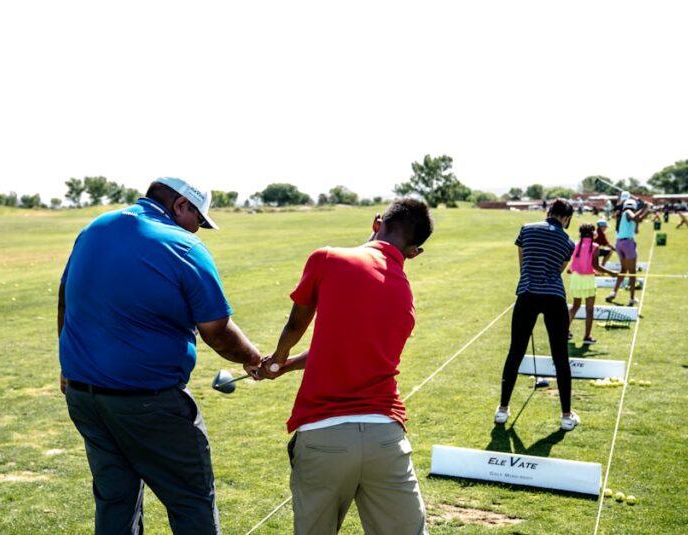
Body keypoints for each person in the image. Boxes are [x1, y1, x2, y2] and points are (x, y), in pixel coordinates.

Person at [58, 177, 263, 534]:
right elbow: (217, 331)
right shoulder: (184, 245)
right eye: (199, 219)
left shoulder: (95, 227)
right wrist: (252, 357)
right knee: (191, 500)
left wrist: (65, 363)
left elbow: (65, 295)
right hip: (148, 403)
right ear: (182, 204)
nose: (199, 228)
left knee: (115, 501)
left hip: (84, 397)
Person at [257, 198, 434, 535]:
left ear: (376, 221)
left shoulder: (327, 259)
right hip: (386, 439)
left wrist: (277, 360)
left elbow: (296, 325)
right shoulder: (405, 295)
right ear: (413, 253)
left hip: (323, 435)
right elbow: (345, 350)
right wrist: (290, 364)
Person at [496, 199, 580, 431]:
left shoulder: (526, 229)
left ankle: (502, 410)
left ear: (549, 211)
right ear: (566, 218)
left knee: (515, 352)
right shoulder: (568, 241)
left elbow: (523, 265)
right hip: (554, 297)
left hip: (527, 295)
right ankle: (566, 416)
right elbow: (559, 270)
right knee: (560, 356)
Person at [568, 224, 618, 345]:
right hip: (588, 280)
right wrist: (610, 272)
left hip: (576, 279)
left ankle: (564, 331)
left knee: (575, 306)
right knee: (589, 310)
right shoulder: (595, 246)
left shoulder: (576, 244)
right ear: (592, 233)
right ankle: (587, 336)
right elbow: (595, 265)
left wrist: (593, 271)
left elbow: (576, 266)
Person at [606, 199, 651, 306]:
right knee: (632, 272)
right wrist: (643, 208)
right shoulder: (627, 212)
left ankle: (613, 292)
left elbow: (638, 220)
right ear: (633, 207)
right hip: (627, 244)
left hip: (619, 244)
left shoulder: (624, 214)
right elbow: (636, 217)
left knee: (623, 270)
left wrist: (647, 210)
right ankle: (631, 298)